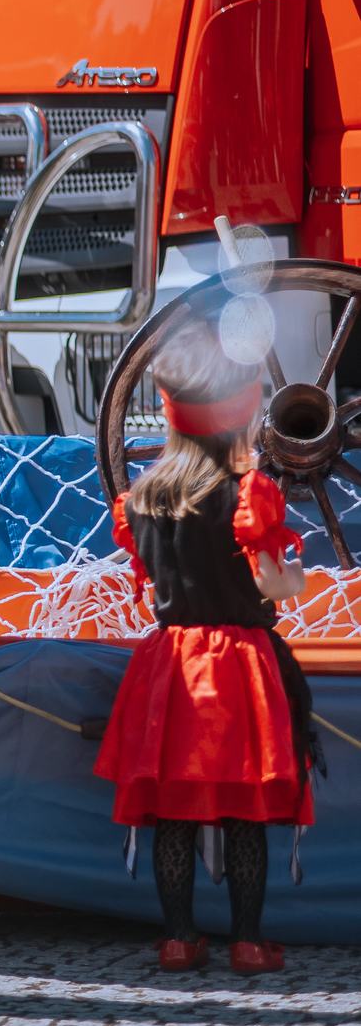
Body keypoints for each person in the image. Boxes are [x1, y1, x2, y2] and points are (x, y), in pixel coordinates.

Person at [93, 328, 318, 975]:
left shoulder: (142, 501)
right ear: (239, 415)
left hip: (170, 668)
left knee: (174, 814)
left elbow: (150, 586)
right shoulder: (249, 494)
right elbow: (273, 583)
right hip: (240, 669)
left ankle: (178, 939)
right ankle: (248, 941)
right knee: (243, 814)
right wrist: (298, 578)